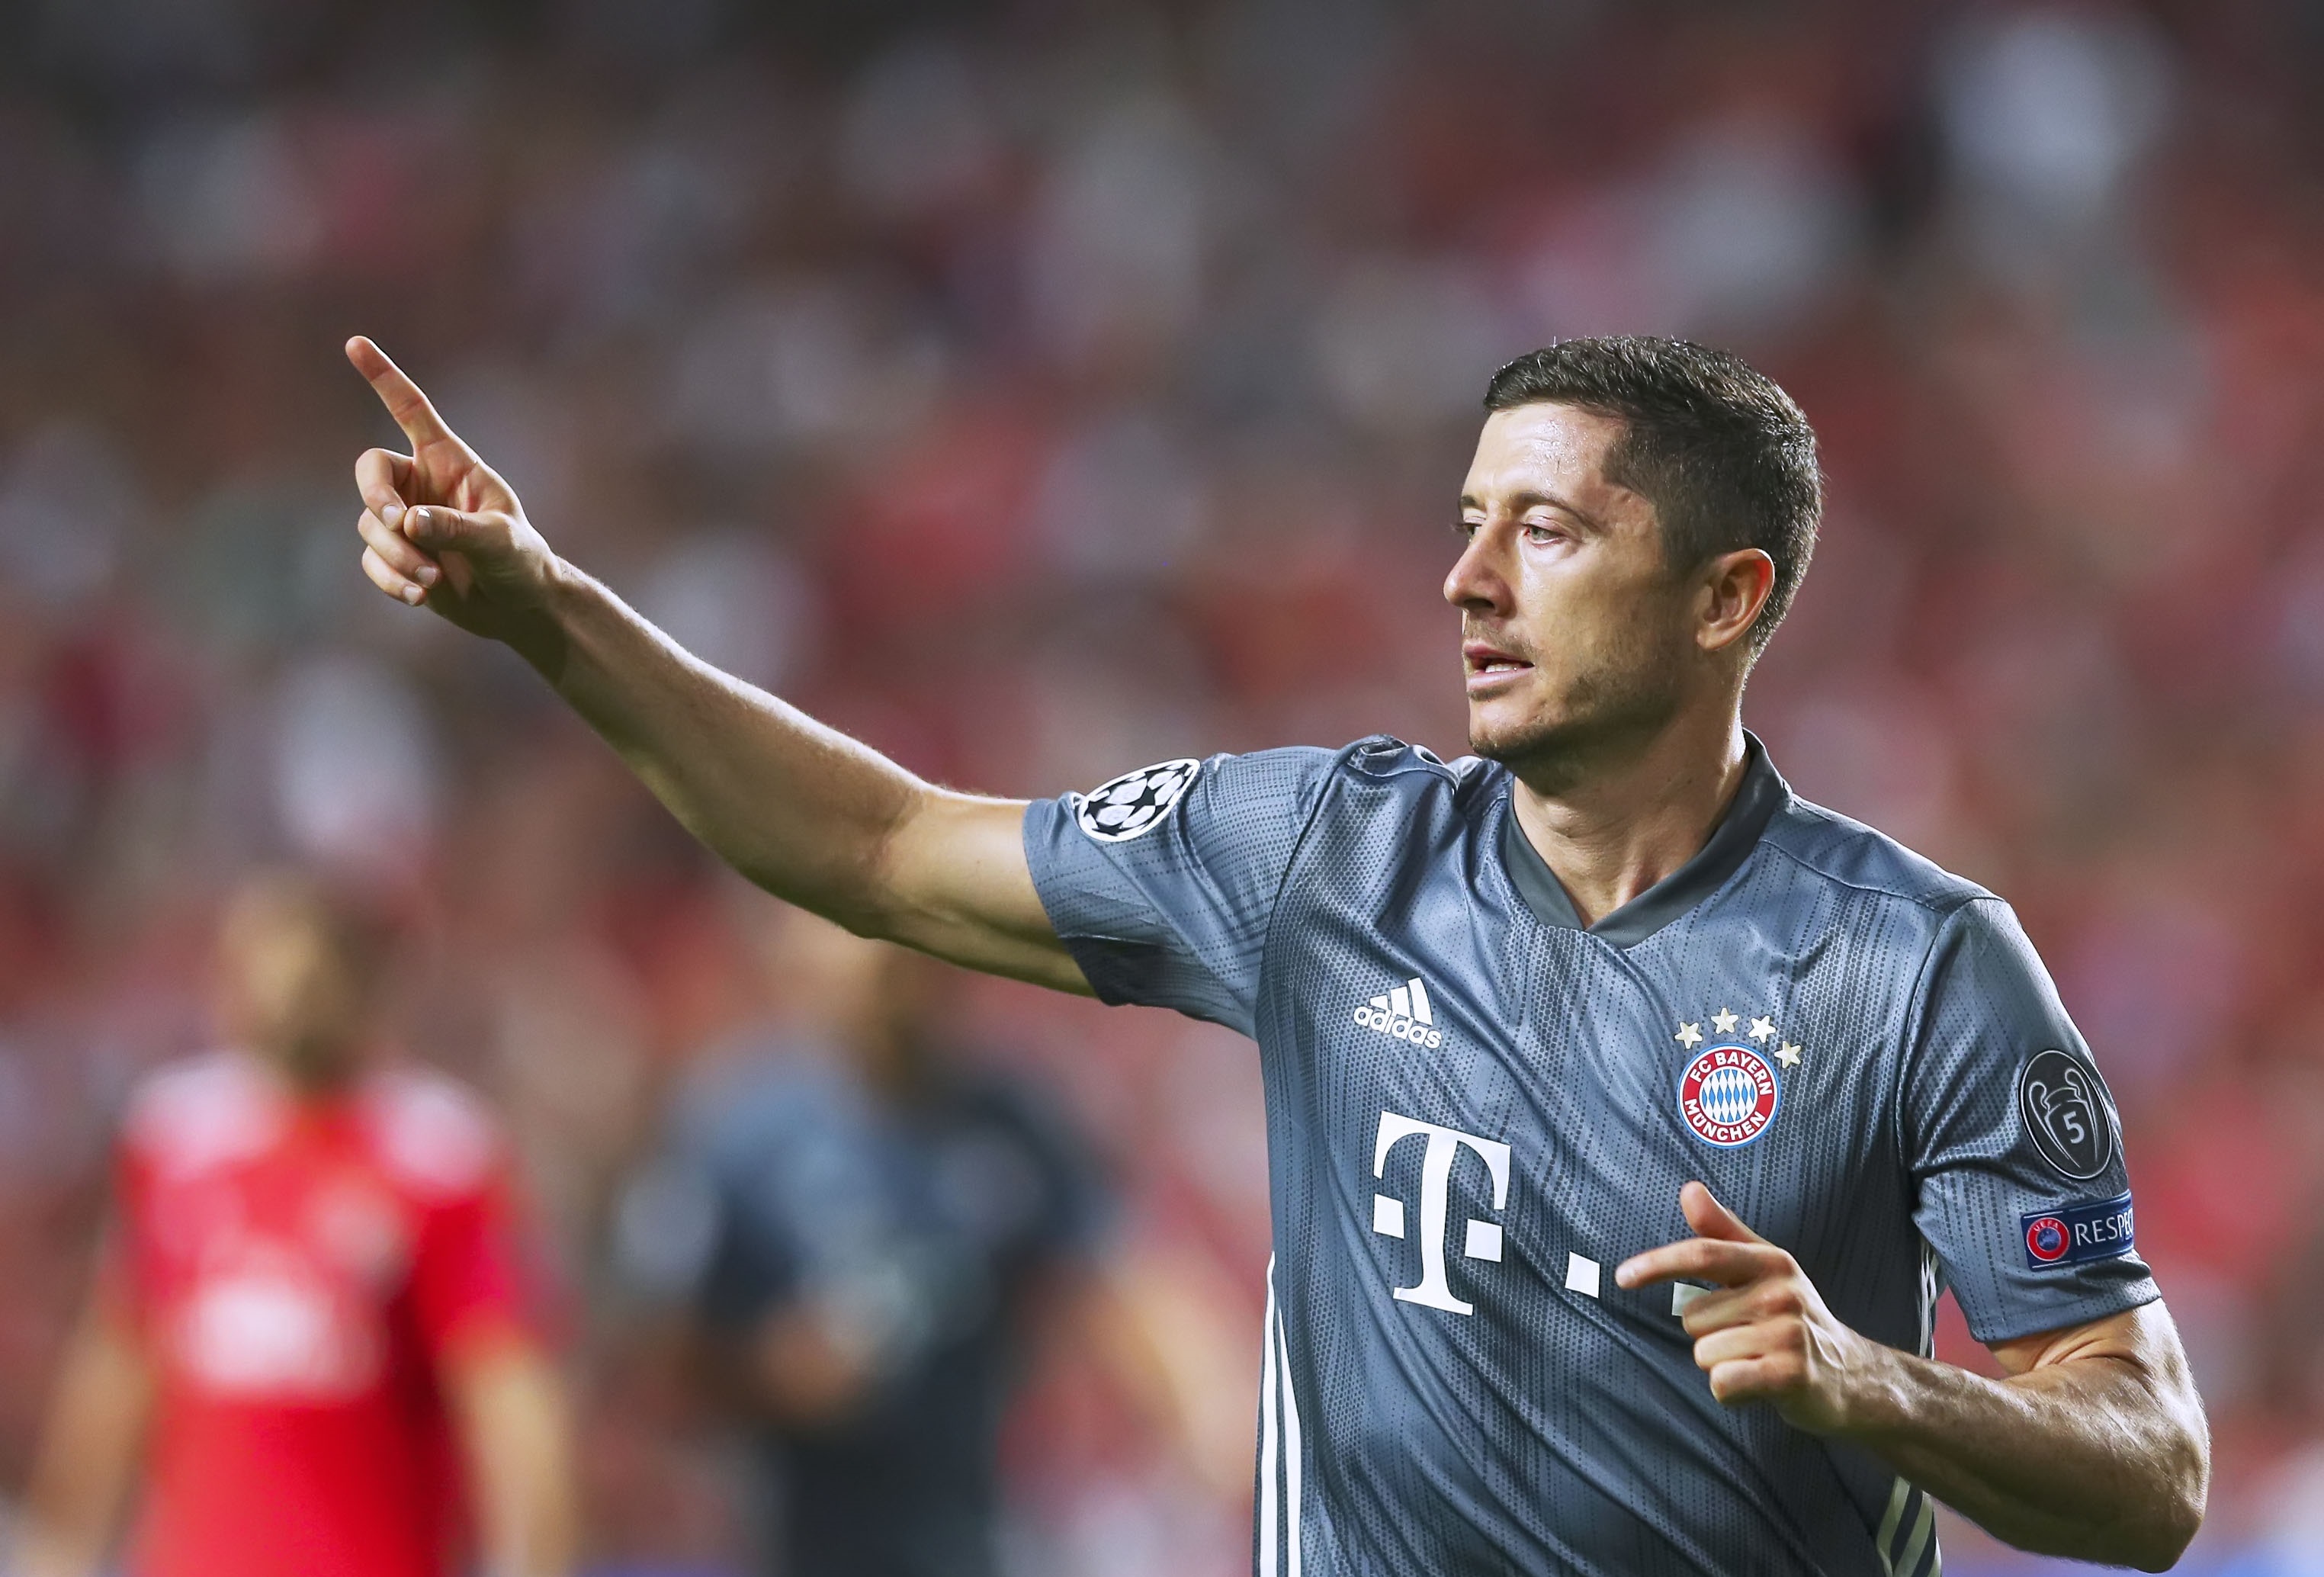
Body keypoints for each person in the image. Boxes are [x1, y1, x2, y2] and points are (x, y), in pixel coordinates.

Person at [341, 331, 2209, 1575]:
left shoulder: (1916, 967)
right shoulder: (1325, 854)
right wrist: (553, 615)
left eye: (1546, 530)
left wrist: (1871, 1379)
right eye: (1465, 523)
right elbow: (881, 845)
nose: (1468, 577)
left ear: (1729, 597)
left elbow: (2151, 1470)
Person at [18, 874, 577, 1577]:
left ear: (368, 991)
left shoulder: (437, 1158)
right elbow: (121, 1363)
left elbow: (507, 1393)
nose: (286, 1003)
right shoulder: (176, 1140)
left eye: (309, 982)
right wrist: (58, 1549)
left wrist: (533, 1559)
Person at [621, 904, 1157, 1577]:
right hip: (801, 1540)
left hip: (975, 1529)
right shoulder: (740, 1127)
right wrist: (771, 1375)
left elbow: (1116, 1293)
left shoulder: (1011, 1119)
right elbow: (659, 1364)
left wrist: (1219, 1433)